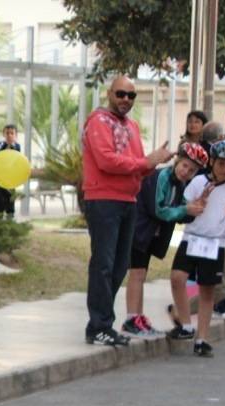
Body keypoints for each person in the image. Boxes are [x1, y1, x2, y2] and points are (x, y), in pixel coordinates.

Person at [77, 75, 172, 348]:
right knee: (104, 264)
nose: (125, 100)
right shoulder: (97, 121)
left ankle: (101, 324)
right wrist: (145, 161)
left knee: (119, 266)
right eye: (121, 94)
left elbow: (139, 167)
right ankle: (99, 326)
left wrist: (155, 162)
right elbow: (107, 161)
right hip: (103, 199)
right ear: (110, 93)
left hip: (129, 200)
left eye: (131, 96)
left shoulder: (131, 125)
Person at [123, 142, 207, 338]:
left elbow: (179, 210)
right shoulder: (161, 176)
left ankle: (137, 317)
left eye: (192, 170)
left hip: (151, 234)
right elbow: (159, 210)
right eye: (185, 165)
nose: (186, 172)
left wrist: (194, 210)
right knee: (136, 273)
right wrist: (186, 210)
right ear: (177, 160)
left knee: (141, 274)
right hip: (139, 230)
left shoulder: (180, 183)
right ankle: (131, 319)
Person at [168, 140, 225, 356]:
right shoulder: (198, 182)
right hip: (192, 238)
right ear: (212, 162)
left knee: (207, 290)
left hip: (215, 242)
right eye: (221, 164)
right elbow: (185, 209)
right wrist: (199, 202)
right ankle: (187, 325)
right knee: (177, 277)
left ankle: (202, 338)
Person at [0, 123, 21, 218]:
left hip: (11, 177)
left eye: (12, 133)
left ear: (15, 135)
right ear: (4, 135)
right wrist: (5, 146)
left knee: (10, 197)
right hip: (1, 176)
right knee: (0, 196)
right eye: (7, 133)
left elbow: (17, 158)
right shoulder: (0, 145)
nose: (9, 135)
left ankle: (10, 215)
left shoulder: (17, 146)